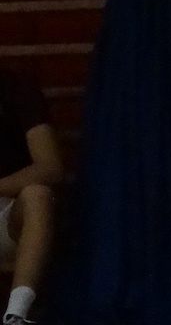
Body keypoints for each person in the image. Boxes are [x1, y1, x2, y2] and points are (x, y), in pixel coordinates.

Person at [0, 70, 61, 325]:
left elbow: (50, 166)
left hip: (6, 211)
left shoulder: (16, 89)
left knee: (38, 196)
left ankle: (16, 314)